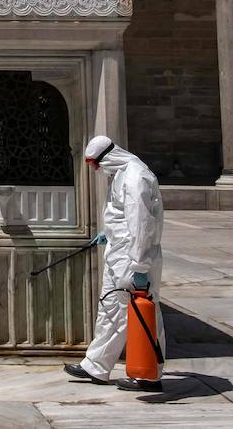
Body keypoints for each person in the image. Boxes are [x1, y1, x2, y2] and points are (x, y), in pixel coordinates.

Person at [63, 135, 166, 392]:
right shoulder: (121, 174)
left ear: (107, 156)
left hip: (134, 257)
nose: (96, 169)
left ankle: (149, 375)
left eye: (96, 164)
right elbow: (121, 216)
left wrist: (139, 267)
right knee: (110, 309)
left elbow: (141, 223)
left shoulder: (135, 177)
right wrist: (108, 235)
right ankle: (96, 365)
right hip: (118, 252)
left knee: (143, 314)